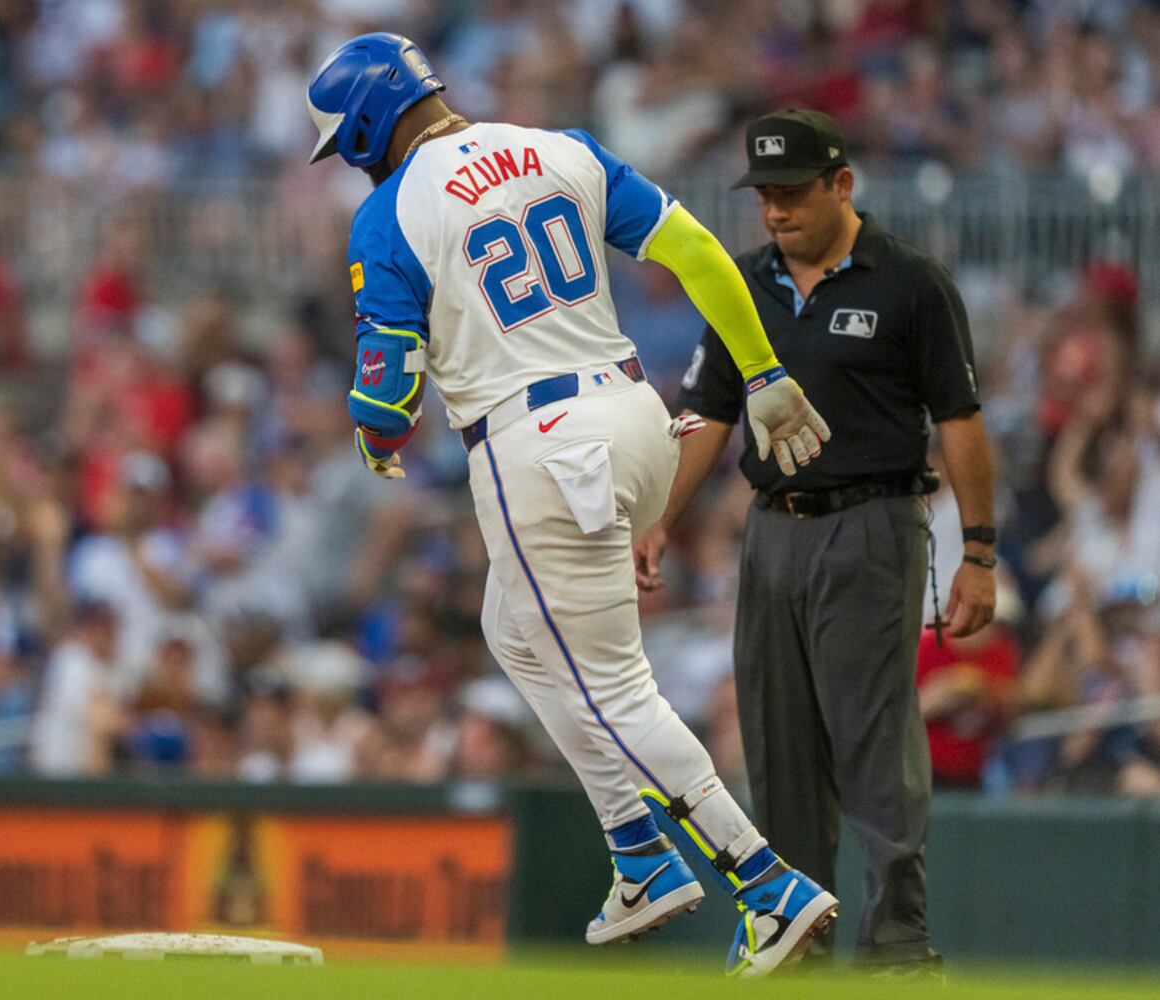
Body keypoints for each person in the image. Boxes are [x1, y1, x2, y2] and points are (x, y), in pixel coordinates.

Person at [307, 34, 836, 976]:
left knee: (615, 689)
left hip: (540, 448)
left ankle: (768, 888)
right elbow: (697, 250)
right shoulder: (563, 147)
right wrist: (761, 371)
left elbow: (387, 391)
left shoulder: (390, 211)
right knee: (511, 630)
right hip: (636, 418)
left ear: (363, 127)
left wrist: (372, 439)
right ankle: (637, 851)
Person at [658, 109, 998, 974]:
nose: (774, 210)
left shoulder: (909, 282)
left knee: (873, 740)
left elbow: (959, 420)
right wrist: (658, 520)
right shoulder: (742, 283)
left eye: (790, 192)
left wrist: (979, 553)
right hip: (772, 527)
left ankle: (895, 945)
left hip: (871, 523)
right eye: (763, 195)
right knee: (778, 744)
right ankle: (792, 938)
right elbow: (707, 413)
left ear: (840, 184)